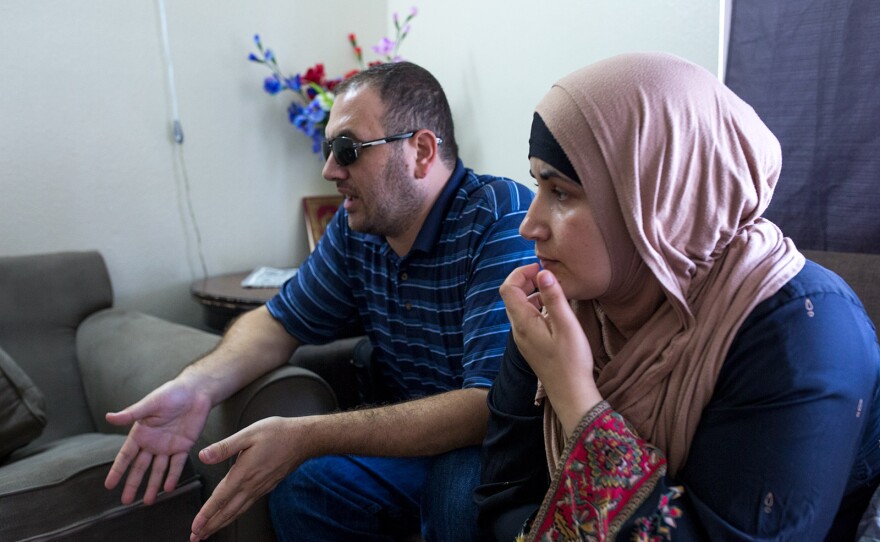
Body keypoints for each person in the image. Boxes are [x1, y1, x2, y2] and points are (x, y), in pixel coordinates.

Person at [104, 61, 537, 542]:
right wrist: (195, 387)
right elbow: (276, 323)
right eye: (331, 149)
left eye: (347, 149)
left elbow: (486, 407)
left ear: (421, 150)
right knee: (306, 486)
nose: (329, 169)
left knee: (456, 493)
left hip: (499, 447)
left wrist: (307, 435)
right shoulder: (360, 232)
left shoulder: (503, 220)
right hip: (419, 449)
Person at [474, 52, 880, 541]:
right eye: (537, 184)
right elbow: (502, 499)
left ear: (653, 195)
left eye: (562, 192)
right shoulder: (566, 310)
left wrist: (574, 395)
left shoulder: (801, 330)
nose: (529, 224)